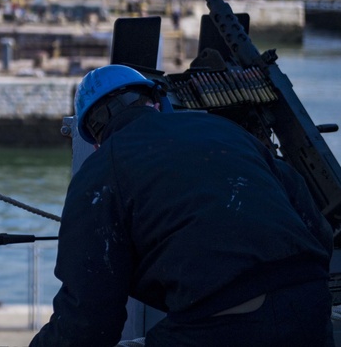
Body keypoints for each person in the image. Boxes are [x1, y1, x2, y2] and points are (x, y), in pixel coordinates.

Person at [30, 64, 334, 347]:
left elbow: (88, 321)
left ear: (96, 136)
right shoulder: (225, 130)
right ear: (157, 103)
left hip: (220, 326)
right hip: (311, 308)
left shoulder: (100, 172)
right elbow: (317, 228)